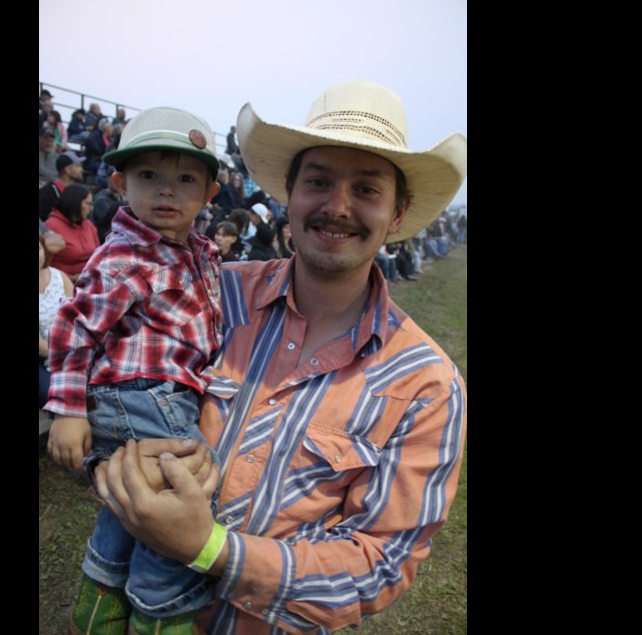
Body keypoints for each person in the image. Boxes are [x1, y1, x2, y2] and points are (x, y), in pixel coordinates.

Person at [89, 80, 468, 634]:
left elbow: (380, 564)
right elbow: (109, 381)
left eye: (366, 189)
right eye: (318, 181)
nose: (337, 207)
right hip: (129, 607)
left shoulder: (426, 384)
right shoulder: (208, 296)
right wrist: (111, 462)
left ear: (396, 213)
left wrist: (208, 547)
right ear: (288, 193)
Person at [44, 107, 224, 635]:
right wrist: (68, 410)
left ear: (209, 194)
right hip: (141, 393)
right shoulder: (125, 256)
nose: (167, 192)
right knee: (185, 490)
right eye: (149, 177)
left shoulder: (196, 251)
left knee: (131, 497)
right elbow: (74, 330)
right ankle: (163, 610)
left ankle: (100, 605)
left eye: (186, 179)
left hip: (167, 393)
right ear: (121, 184)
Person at [39, 234, 74, 409]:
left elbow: (78, 314)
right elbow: (41, 347)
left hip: (74, 345)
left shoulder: (59, 276)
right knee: (56, 396)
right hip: (47, 355)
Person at [43, 184, 100, 282]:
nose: (91, 208)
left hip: (91, 281)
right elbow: (44, 267)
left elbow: (98, 256)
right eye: (87, 204)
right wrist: (70, 279)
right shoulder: (51, 226)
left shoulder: (89, 225)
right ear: (75, 203)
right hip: (64, 284)